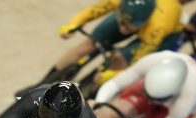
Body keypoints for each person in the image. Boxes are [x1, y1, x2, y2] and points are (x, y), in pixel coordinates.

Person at [15, 0, 183, 98]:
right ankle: (42, 84)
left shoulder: (157, 28)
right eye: (122, 22)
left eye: (130, 25)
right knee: (87, 45)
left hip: (162, 35)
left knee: (119, 60)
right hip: (134, 17)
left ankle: (88, 96)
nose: (123, 29)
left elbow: (138, 63)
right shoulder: (121, 5)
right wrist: (73, 24)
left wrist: (110, 74)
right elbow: (92, 12)